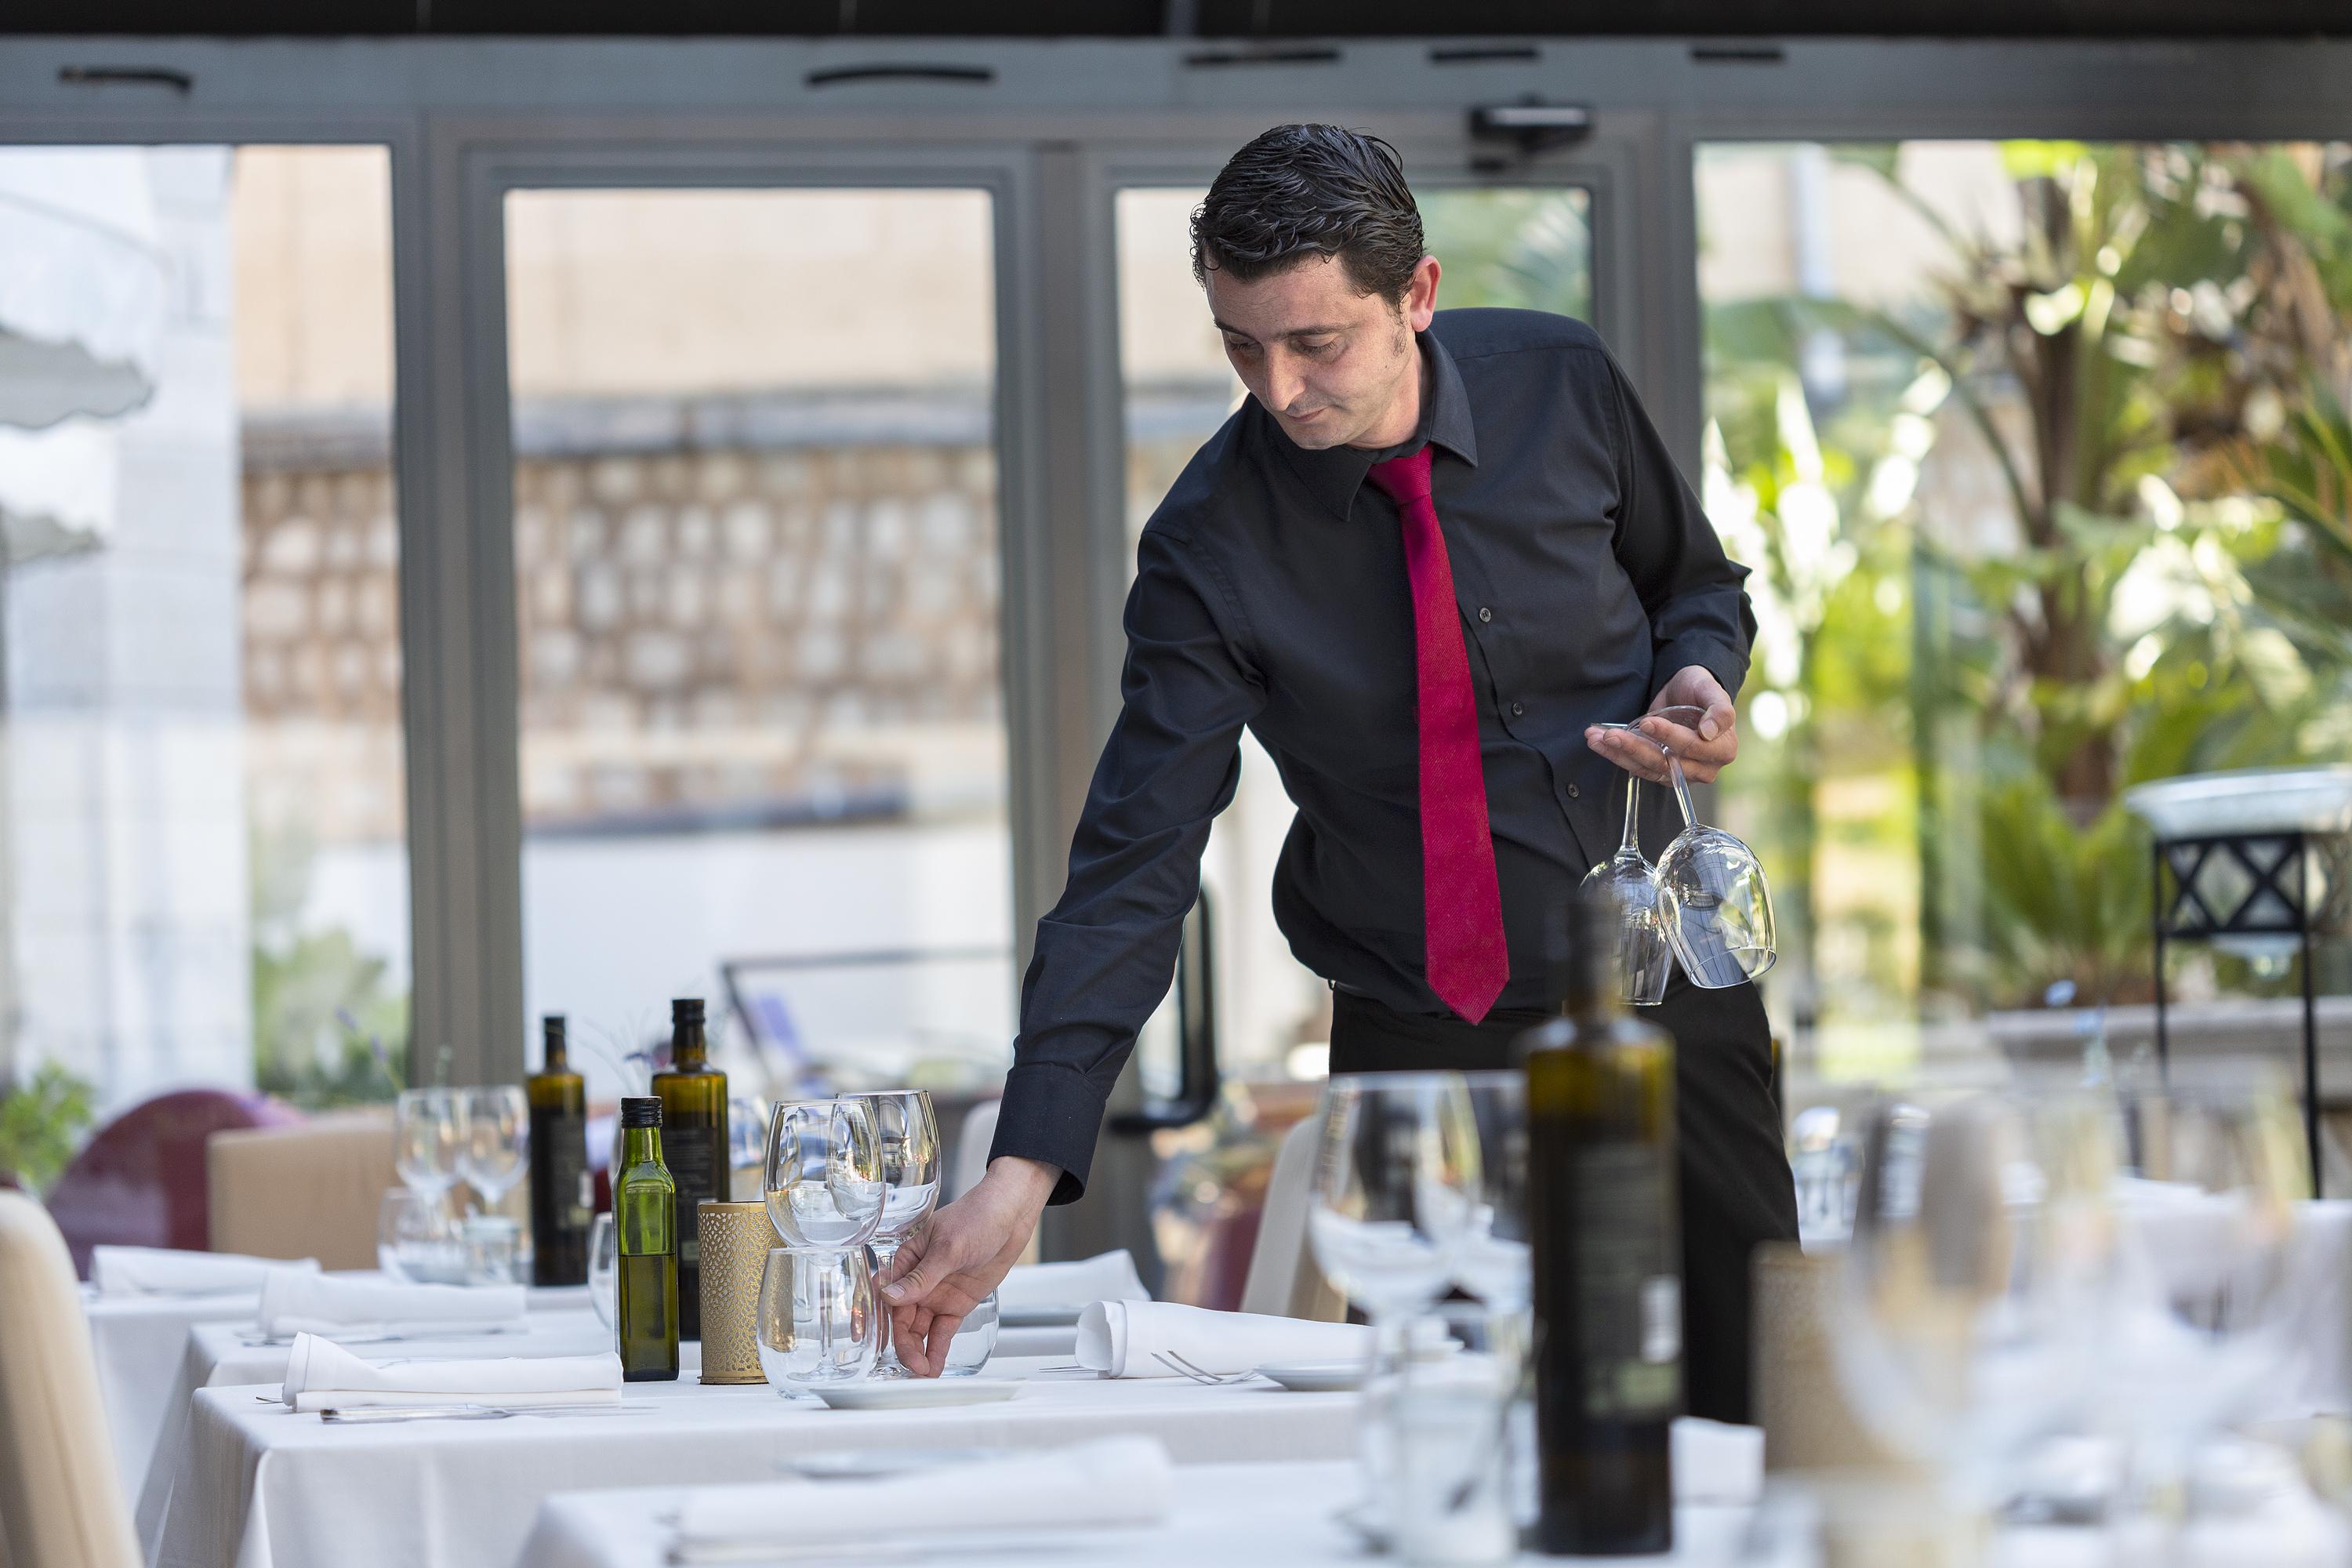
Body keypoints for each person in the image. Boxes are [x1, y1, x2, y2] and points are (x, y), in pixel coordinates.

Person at [882, 123, 1798, 1421]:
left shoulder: (1562, 382)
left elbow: (1694, 587)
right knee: (1450, 1434)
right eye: (1241, 346)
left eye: (1317, 343)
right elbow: (1134, 863)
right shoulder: (1210, 547)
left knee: (1757, 1397)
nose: (1279, 389)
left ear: (1417, 297)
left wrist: (1704, 678)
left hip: (1666, 996)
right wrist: (1021, 1173)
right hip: (1420, 1038)